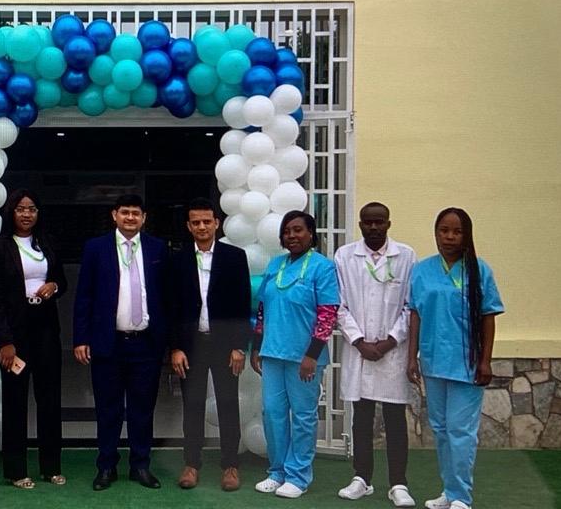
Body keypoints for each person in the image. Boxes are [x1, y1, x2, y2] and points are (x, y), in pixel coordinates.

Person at [407, 208, 503, 509]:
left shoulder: (479, 270)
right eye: (444, 230)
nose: (449, 237)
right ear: (436, 233)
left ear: (467, 235)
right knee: (440, 430)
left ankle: (462, 497)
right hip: (433, 361)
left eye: (457, 231)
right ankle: (449, 492)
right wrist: (412, 358)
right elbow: (415, 315)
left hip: (467, 364)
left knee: (460, 432)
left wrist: (485, 361)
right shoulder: (422, 270)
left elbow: (488, 316)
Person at [73, 193, 167, 491]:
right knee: (108, 409)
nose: (130, 217)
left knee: (142, 409)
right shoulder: (96, 248)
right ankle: (106, 466)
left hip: (146, 344)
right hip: (107, 342)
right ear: (114, 215)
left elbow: (167, 296)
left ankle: (140, 466)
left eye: (135, 213)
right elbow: (84, 296)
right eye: (124, 212)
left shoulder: (158, 248)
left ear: (144, 218)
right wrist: (81, 338)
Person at [251, 210, 339, 500]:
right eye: (287, 231)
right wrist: (257, 346)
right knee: (272, 413)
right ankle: (277, 471)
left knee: (303, 416)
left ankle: (298, 475)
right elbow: (262, 309)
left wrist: (312, 355)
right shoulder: (275, 264)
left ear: (311, 234)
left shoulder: (323, 267)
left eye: (298, 230)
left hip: (304, 358)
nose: (292, 236)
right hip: (272, 353)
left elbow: (327, 314)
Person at [334, 202, 417, 507]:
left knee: (395, 419)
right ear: (360, 224)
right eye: (367, 222)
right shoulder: (345, 256)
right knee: (361, 418)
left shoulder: (406, 256)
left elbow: (410, 306)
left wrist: (389, 342)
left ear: (388, 224)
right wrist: (359, 341)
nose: (373, 227)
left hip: (392, 352)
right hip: (359, 351)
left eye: (379, 222)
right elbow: (338, 305)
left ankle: (398, 483)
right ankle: (362, 478)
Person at [0, 188, 68, 489]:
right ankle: (16, 470)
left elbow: (62, 281)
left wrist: (53, 286)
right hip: (14, 331)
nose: (26, 214)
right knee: (15, 400)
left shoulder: (47, 242)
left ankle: (51, 467)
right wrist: (4, 341)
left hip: (45, 326)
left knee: (50, 398)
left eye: (32, 208)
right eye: (20, 208)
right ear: (11, 212)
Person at [167, 197, 252, 491]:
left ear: (216, 223)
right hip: (191, 345)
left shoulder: (234, 257)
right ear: (188, 226)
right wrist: (175, 347)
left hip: (225, 345)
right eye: (196, 222)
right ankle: (192, 463)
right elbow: (172, 307)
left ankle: (230, 465)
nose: (202, 226)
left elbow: (242, 303)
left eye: (207, 221)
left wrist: (239, 346)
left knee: (228, 404)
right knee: (192, 405)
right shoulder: (177, 260)